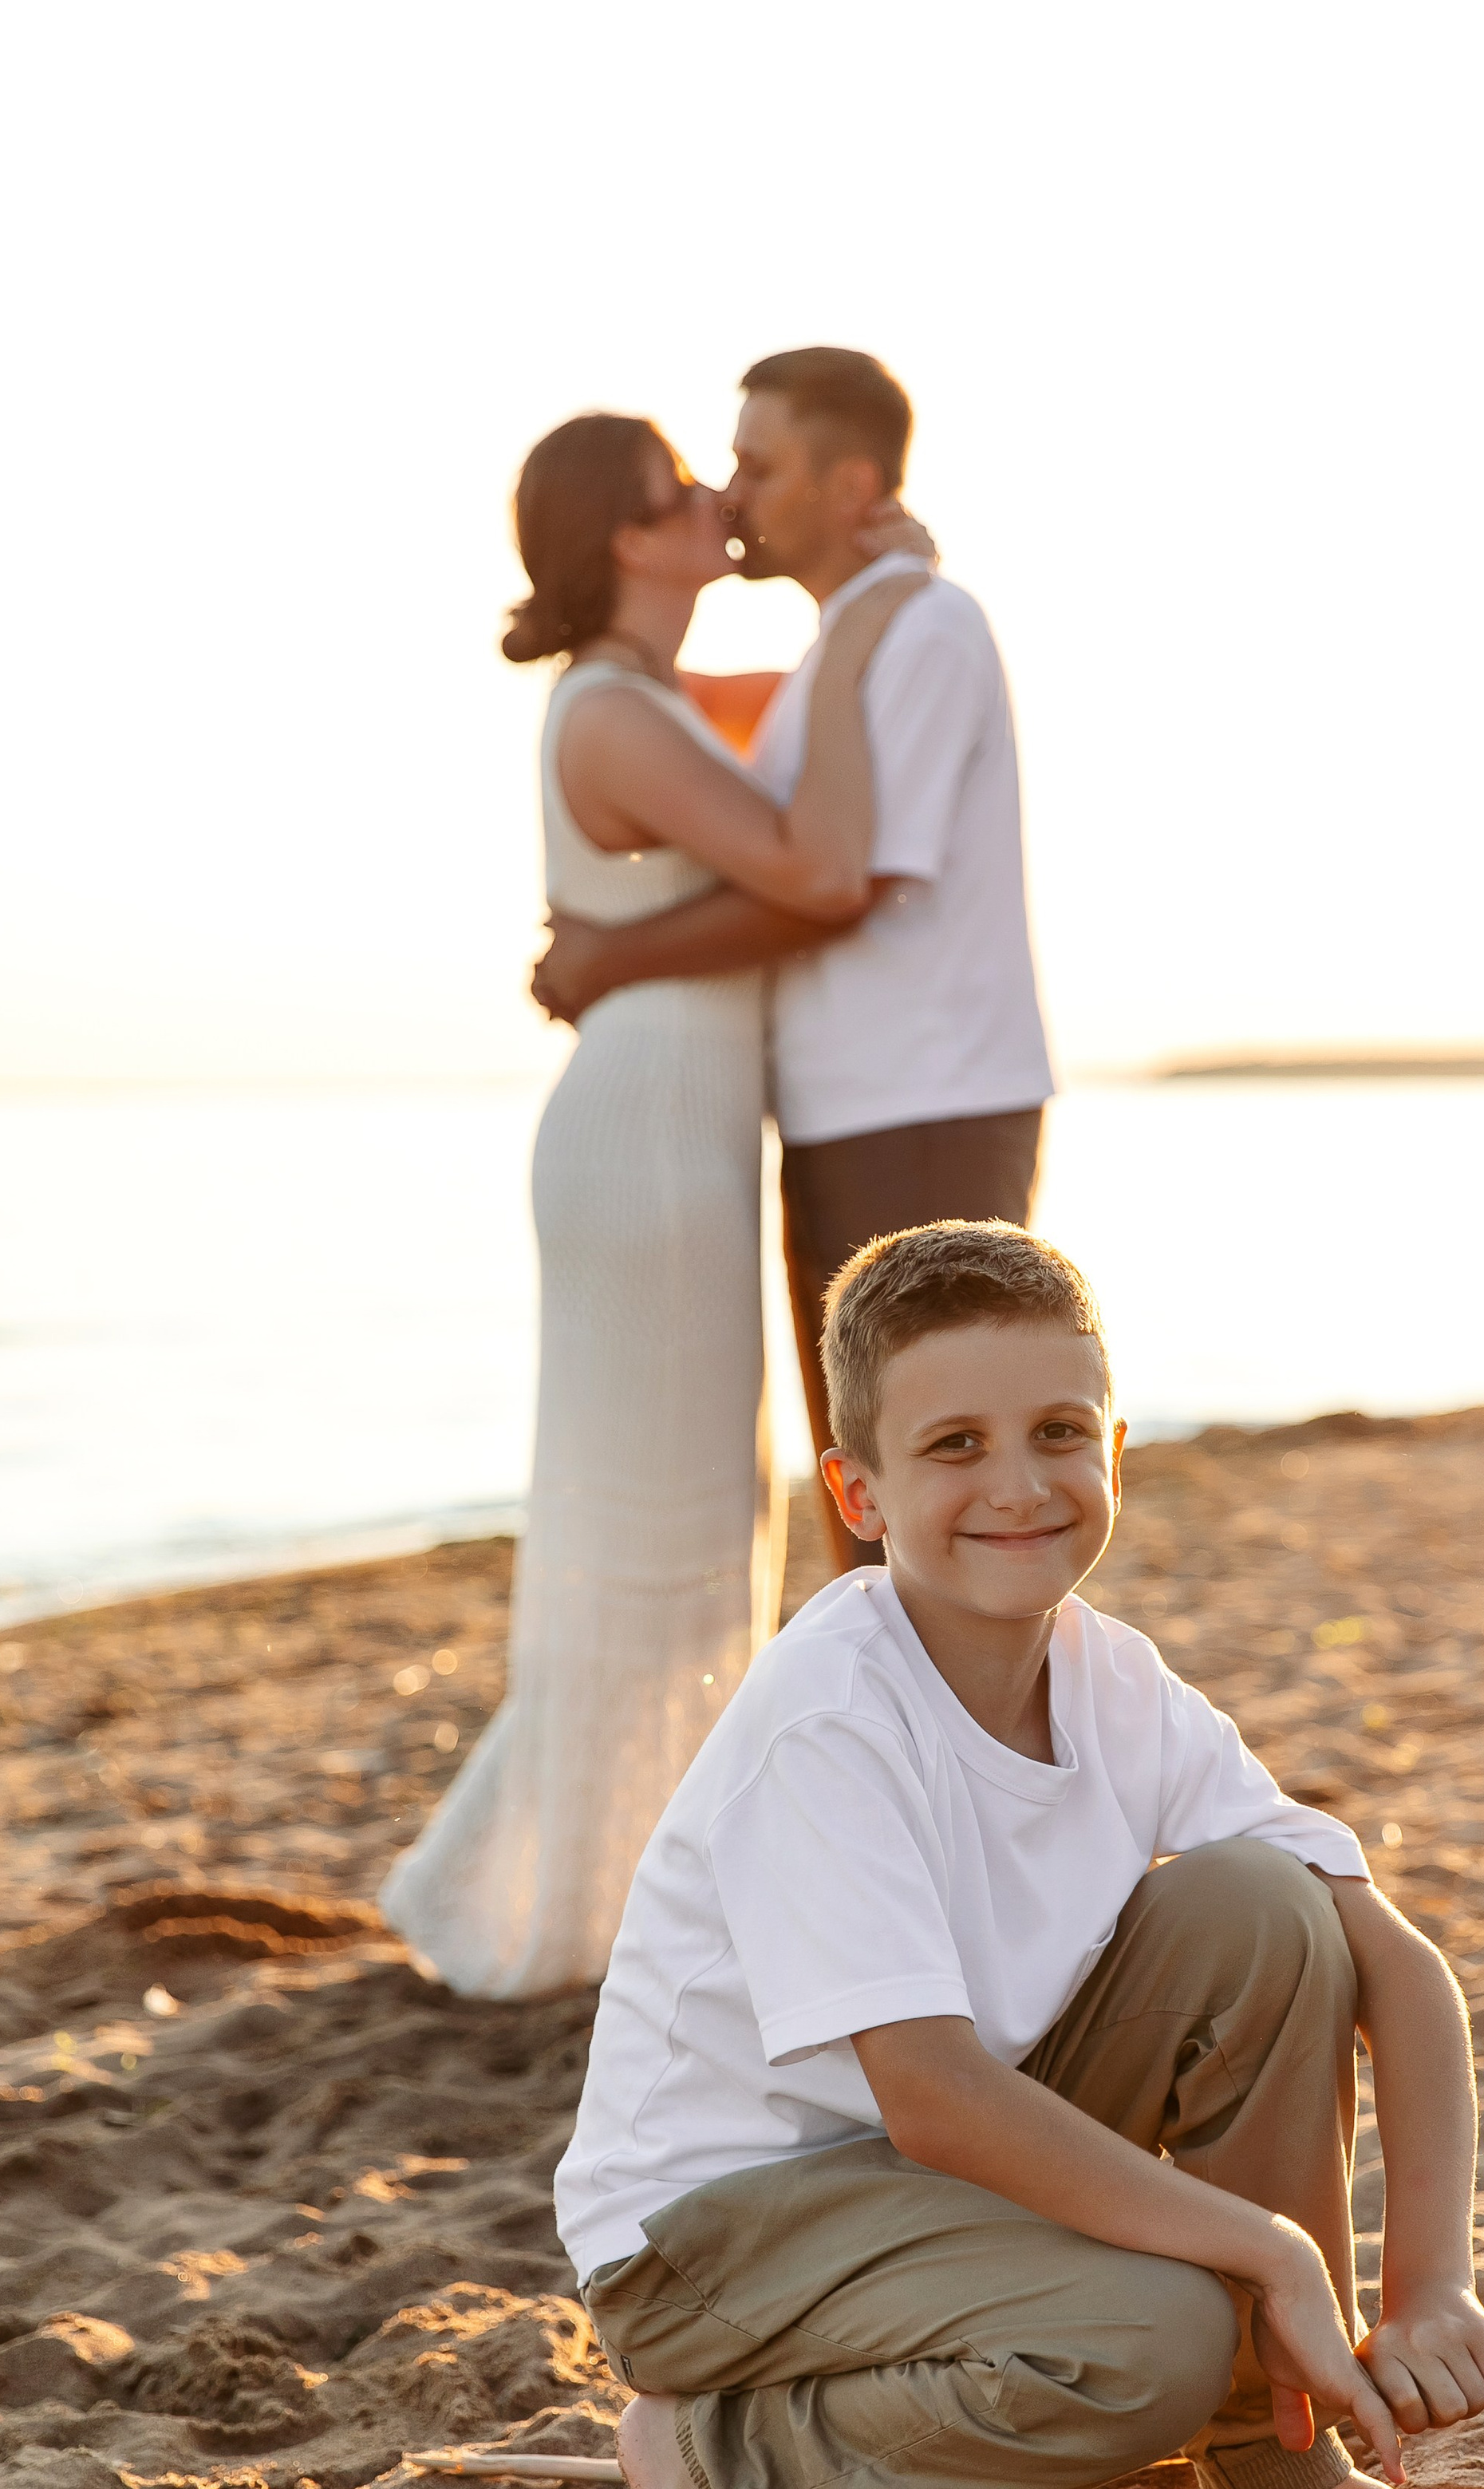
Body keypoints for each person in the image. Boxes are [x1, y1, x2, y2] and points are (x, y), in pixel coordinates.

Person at [555, 1223, 1484, 2489]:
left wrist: (1430, 2284)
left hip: (929, 2169)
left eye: (1059, 1432)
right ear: (859, 1494)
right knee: (1163, 2342)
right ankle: (718, 2453)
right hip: (714, 2232)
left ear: (1116, 1450)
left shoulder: (1109, 1673)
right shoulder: (832, 1717)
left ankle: (1275, 2470)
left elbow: (1393, 1965)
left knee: (1266, 1906)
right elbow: (931, 2093)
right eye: (954, 1445)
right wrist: (1269, 2252)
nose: (1017, 1484)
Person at [378, 413, 926, 1997]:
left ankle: (612, 1881)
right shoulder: (615, 715)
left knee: (691, 1516)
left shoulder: (652, 705)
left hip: (679, 1140)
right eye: (682, 488)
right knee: (662, 1526)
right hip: (647, 1148)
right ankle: (594, 1906)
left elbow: (792, 749)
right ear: (627, 539)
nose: (713, 501)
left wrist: (849, 622)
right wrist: (865, 604)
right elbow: (819, 871)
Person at [531, 350, 1056, 1576]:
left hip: (924, 1100)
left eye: (756, 467)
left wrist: (617, 953)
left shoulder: (919, 628)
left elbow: (845, 886)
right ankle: (896, 1760)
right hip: (842, 1109)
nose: (729, 492)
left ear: (847, 481)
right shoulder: (844, 647)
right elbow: (657, 703)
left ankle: (958, 1763)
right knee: (877, 1502)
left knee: (934, 1497)